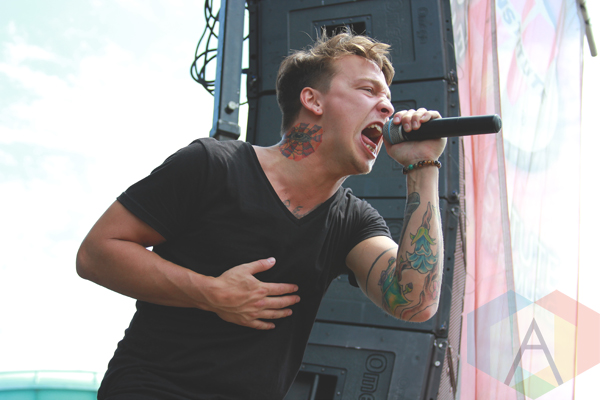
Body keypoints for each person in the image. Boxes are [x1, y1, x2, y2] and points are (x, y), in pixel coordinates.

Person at [76, 32, 446, 400]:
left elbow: (415, 302)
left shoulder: (353, 222)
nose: (388, 108)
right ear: (313, 100)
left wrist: (423, 165)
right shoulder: (213, 166)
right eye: (368, 90)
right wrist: (211, 293)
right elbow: (96, 253)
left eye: (388, 99)